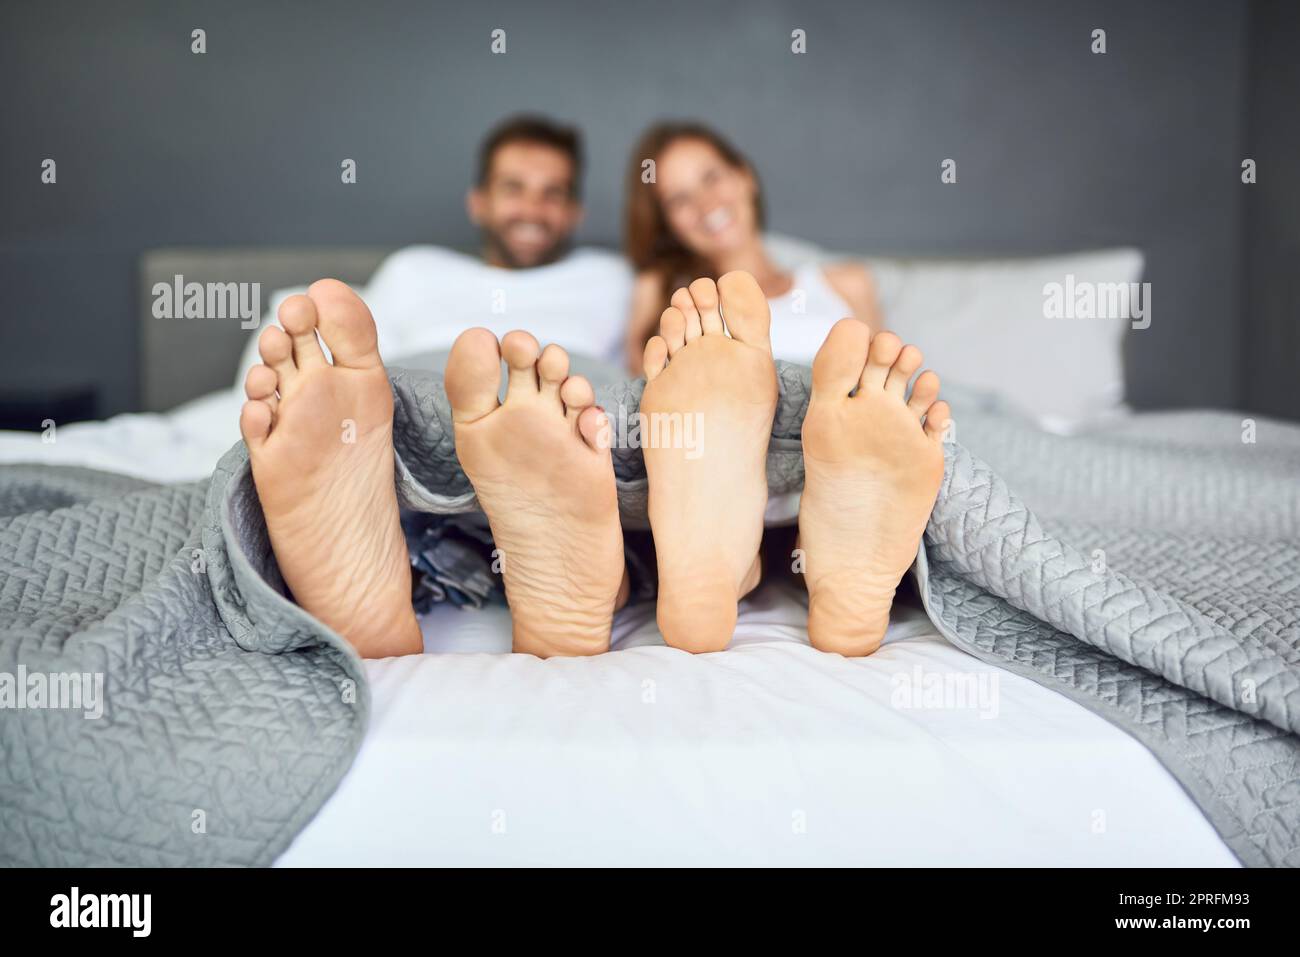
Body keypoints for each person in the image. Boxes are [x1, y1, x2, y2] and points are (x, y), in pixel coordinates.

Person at [237, 272, 949, 661]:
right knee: (601, 425)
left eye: (710, 180)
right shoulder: (627, 279)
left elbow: (865, 336)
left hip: (715, 413)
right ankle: (742, 571)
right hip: (650, 409)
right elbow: (636, 355)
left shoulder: (837, 275)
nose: (700, 204)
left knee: (597, 430)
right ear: (481, 201)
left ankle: (664, 570)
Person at [333, 114, 633, 367]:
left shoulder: (614, 277)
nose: (532, 210)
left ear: (574, 213)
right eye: (513, 189)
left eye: (552, 194)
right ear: (478, 203)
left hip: (575, 417)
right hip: (417, 417)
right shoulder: (413, 270)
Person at [622, 122, 880, 374]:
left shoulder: (847, 284)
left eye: (711, 178)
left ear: (745, 176)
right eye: (680, 199)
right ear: (668, 226)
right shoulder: (667, 295)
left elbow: (884, 388)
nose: (705, 203)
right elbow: (643, 391)